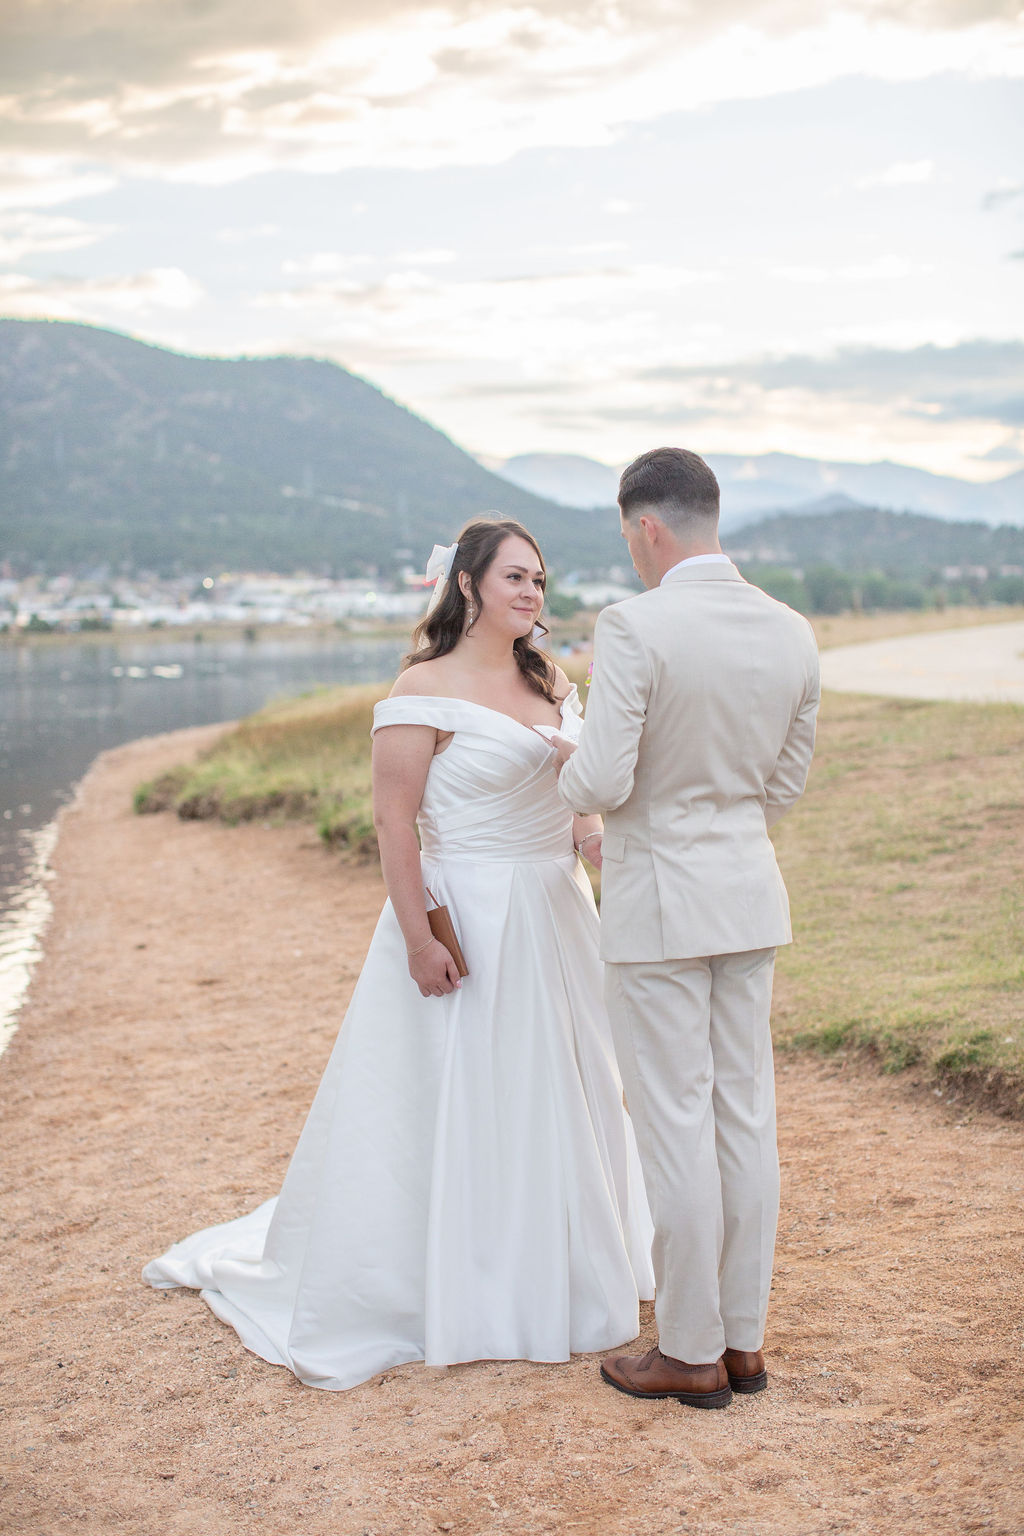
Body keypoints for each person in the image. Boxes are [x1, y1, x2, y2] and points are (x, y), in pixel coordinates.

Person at [143, 516, 653, 1391]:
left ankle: (568, 1253)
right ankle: (471, 1274)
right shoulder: (422, 687)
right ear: (468, 585)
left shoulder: (555, 679)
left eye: (540, 580)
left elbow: (577, 803)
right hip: (473, 912)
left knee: (567, 1084)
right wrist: (419, 936)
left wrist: (598, 840)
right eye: (515, 579)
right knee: (473, 1089)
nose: (532, 593)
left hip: (556, 909)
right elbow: (394, 822)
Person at [551, 448, 820, 1410]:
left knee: (674, 1123)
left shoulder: (636, 625)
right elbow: (783, 785)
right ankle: (742, 1344)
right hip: (749, 895)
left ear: (647, 528)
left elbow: (603, 779)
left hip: (659, 902)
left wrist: (562, 763)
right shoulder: (792, 631)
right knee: (745, 1118)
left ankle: (692, 1350)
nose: (631, 556)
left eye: (629, 539)